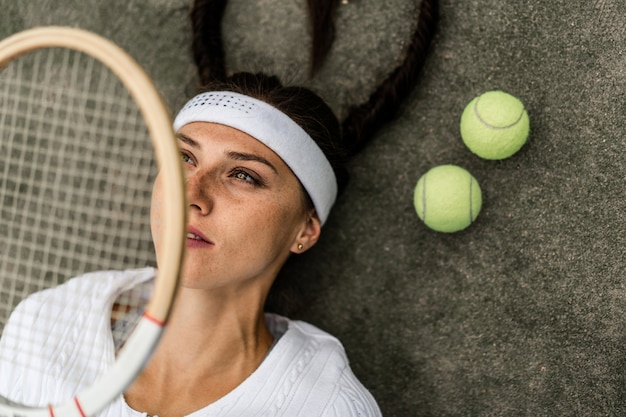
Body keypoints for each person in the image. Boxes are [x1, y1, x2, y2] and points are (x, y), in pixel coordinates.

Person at [0, 72, 381, 417]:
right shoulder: (45, 323)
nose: (192, 194)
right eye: (184, 157)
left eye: (244, 175)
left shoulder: (326, 406)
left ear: (305, 230)